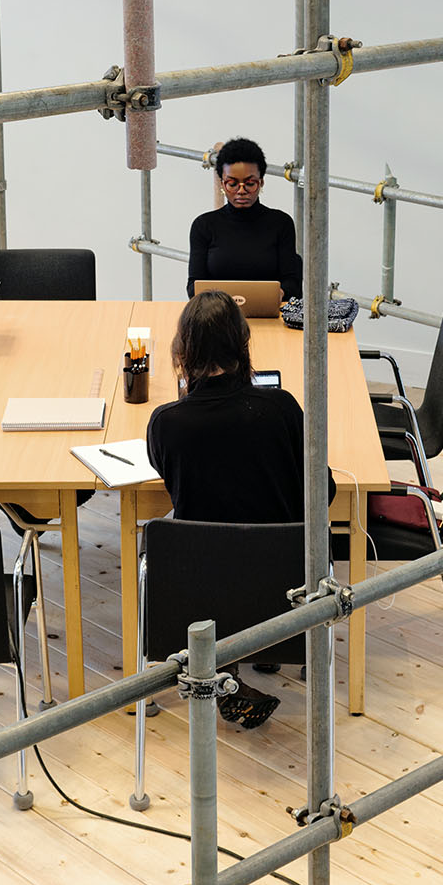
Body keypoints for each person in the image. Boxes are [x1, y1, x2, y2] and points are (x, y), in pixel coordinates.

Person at [144, 289, 331, 729]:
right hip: (285, 588)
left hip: (198, 589)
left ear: (182, 351)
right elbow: (324, 491)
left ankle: (222, 666)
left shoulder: (167, 424)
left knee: (201, 537)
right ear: (242, 346)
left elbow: (168, 477)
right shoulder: (281, 409)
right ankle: (262, 648)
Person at [186, 136, 303, 302]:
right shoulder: (203, 226)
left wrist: (280, 293)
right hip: (218, 316)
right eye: (232, 184)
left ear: (261, 182)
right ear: (222, 184)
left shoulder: (281, 224)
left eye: (250, 183)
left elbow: (293, 284)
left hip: (270, 316)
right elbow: (193, 287)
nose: (241, 191)